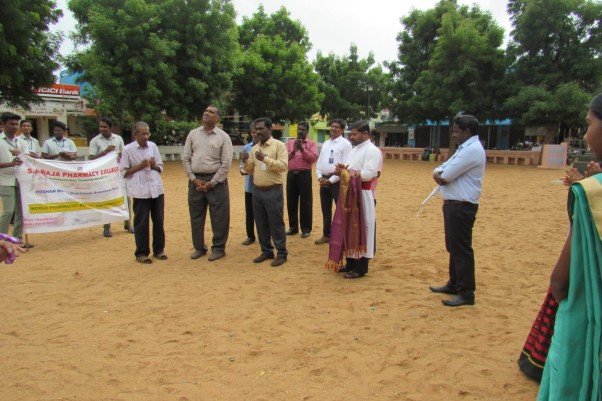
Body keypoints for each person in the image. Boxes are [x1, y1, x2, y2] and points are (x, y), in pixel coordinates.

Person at [537, 94, 602, 401]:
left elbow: (560, 282)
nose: (586, 135)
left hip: (588, 312)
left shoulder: (593, 194)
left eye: (589, 124)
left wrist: (584, 192)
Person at [429, 114, 486, 307]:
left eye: (456, 131)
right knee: (453, 247)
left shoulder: (472, 150)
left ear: (467, 131)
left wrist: (439, 174)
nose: (453, 135)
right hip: (455, 204)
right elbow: (441, 170)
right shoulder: (465, 148)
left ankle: (466, 292)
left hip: (462, 205)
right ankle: (454, 283)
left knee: (461, 249)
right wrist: (439, 173)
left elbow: (445, 175)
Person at [327, 120, 382, 279]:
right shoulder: (354, 150)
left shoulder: (373, 151)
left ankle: (361, 267)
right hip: (349, 193)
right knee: (349, 227)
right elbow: (348, 170)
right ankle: (350, 262)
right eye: (350, 134)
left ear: (365, 134)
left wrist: (345, 173)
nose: (351, 137)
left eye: (354, 134)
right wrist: (339, 173)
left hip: (362, 195)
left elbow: (368, 174)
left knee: (363, 227)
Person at [182, 105, 233, 261]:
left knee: (219, 217)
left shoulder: (223, 137)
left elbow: (226, 163)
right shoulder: (193, 134)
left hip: (216, 183)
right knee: (196, 216)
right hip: (195, 182)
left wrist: (213, 182)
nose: (206, 113)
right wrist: (193, 179)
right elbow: (185, 158)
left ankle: (218, 248)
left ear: (218, 118)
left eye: (211, 112)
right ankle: (199, 247)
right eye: (205, 111)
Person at [241, 117, 288, 267]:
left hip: (273, 190)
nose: (258, 132)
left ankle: (281, 253)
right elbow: (250, 170)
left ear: (270, 129)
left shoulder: (279, 146)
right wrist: (245, 162)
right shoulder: (254, 148)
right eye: (256, 129)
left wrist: (265, 159)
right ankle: (267, 251)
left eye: (261, 128)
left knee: (276, 222)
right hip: (257, 191)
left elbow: (283, 166)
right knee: (260, 222)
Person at [119, 122, 167, 264]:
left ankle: (159, 250)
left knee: (159, 221)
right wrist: (140, 166)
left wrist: (154, 165)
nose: (146, 136)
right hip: (140, 192)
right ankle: (141, 253)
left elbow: (161, 167)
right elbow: (123, 172)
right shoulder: (127, 150)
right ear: (135, 134)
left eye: (147, 133)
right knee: (141, 223)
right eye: (143, 133)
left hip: (156, 189)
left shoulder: (153, 146)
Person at [315, 118, 352, 244]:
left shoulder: (346, 144)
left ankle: (343, 237)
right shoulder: (326, 143)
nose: (333, 128)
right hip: (324, 180)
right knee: (326, 210)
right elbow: (319, 162)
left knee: (341, 210)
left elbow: (346, 166)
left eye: (337, 127)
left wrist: (331, 180)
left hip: (337, 182)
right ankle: (327, 234)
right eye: (332, 126)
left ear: (342, 130)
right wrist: (320, 177)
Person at [89, 116, 127, 238]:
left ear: (110, 128)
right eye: (100, 126)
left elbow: (123, 155)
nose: (102, 129)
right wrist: (105, 152)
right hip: (103, 175)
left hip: (117, 173)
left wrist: (119, 155)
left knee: (125, 198)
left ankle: (128, 223)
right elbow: (91, 158)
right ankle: (106, 227)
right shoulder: (95, 141)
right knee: (107, 200)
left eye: (105, 127)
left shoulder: (118, 139)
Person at [0, 113, 32, 248]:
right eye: (11, 124)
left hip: (21, 180)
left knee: (21, 211)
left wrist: (20, 154)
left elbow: (28, 159)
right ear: (3, 124)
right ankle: (2, 240)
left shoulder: (21, 142)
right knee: (8, 211)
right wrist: (10, 164)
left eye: (16, 124)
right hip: (5, 180)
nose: (14, 127)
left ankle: (16, 239)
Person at [285, 121, 318, 238]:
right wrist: (294, 150)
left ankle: (306, 229)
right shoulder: (289, 143)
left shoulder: (311, 144)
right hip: (291, 175)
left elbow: (313, 159)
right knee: (291, 201)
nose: (300, 131)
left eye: (303, 130)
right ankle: (293, 228)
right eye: (299, 129)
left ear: (307, 131)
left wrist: (302, 150)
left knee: (306, 202)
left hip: (305, 175)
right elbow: (284, 159)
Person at [240, 121, 259, 246]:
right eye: (253, 132)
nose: (255, 134)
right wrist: (244, 170)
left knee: (262, 213)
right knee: (249, 213)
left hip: (262, 186)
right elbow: (241, 167)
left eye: (257, 132)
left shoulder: (266, 147)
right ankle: (250, 236)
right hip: (250, 187)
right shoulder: (246, 148)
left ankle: (264, 236)